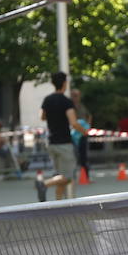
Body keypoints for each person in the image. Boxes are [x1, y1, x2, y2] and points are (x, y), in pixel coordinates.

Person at [37, 71, 91, 201]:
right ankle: (44, 184)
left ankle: (59, 204)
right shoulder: (66, 102)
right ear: (64, 83)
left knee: (60, 176)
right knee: (68, 177)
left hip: (51, 142)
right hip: (64, 143)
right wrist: (84, 131)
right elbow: (73, 122)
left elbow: (42, 116)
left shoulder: (47, 99)